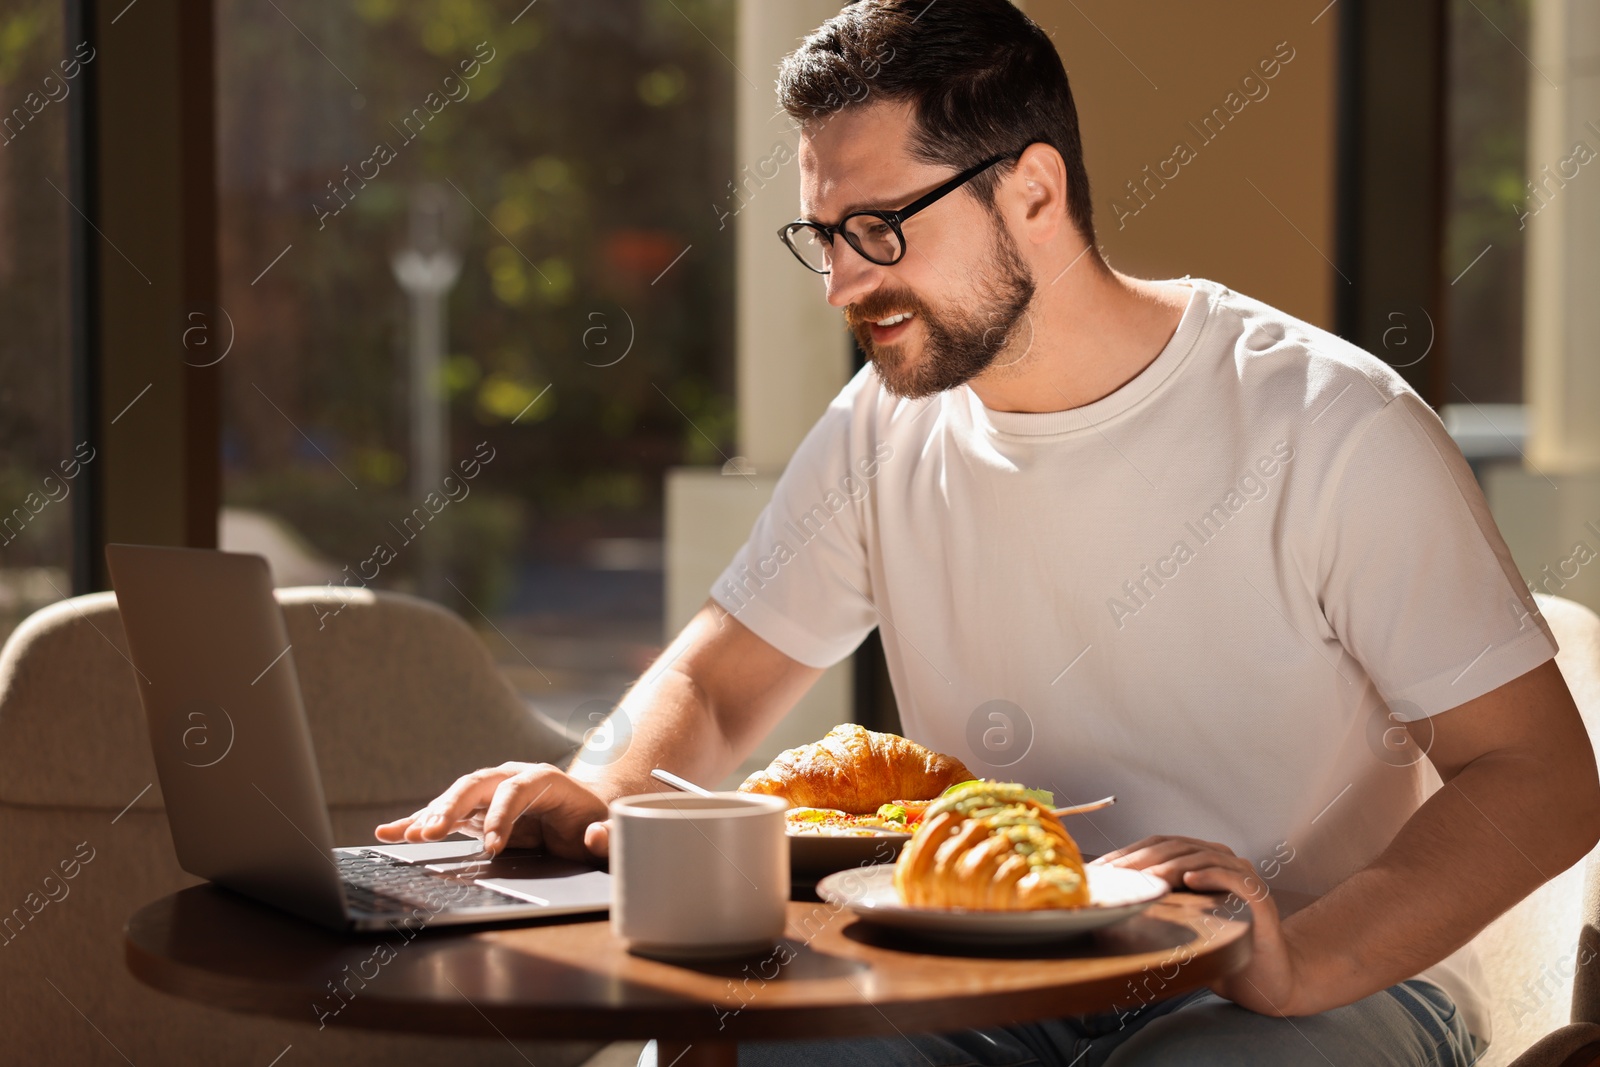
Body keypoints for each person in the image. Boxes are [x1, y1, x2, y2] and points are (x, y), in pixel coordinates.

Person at [375, 2, 1600, 1063]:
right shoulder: (883, 425)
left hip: (1323, 987)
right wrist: (594, 788)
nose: (844, 285)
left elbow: (1540, 779)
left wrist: (1296, 960)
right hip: (988, 966)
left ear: (1033, 190)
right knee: (751, 1050)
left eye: (882, 228)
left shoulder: (1331, 424)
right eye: (825, 234)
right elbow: (719, 673)